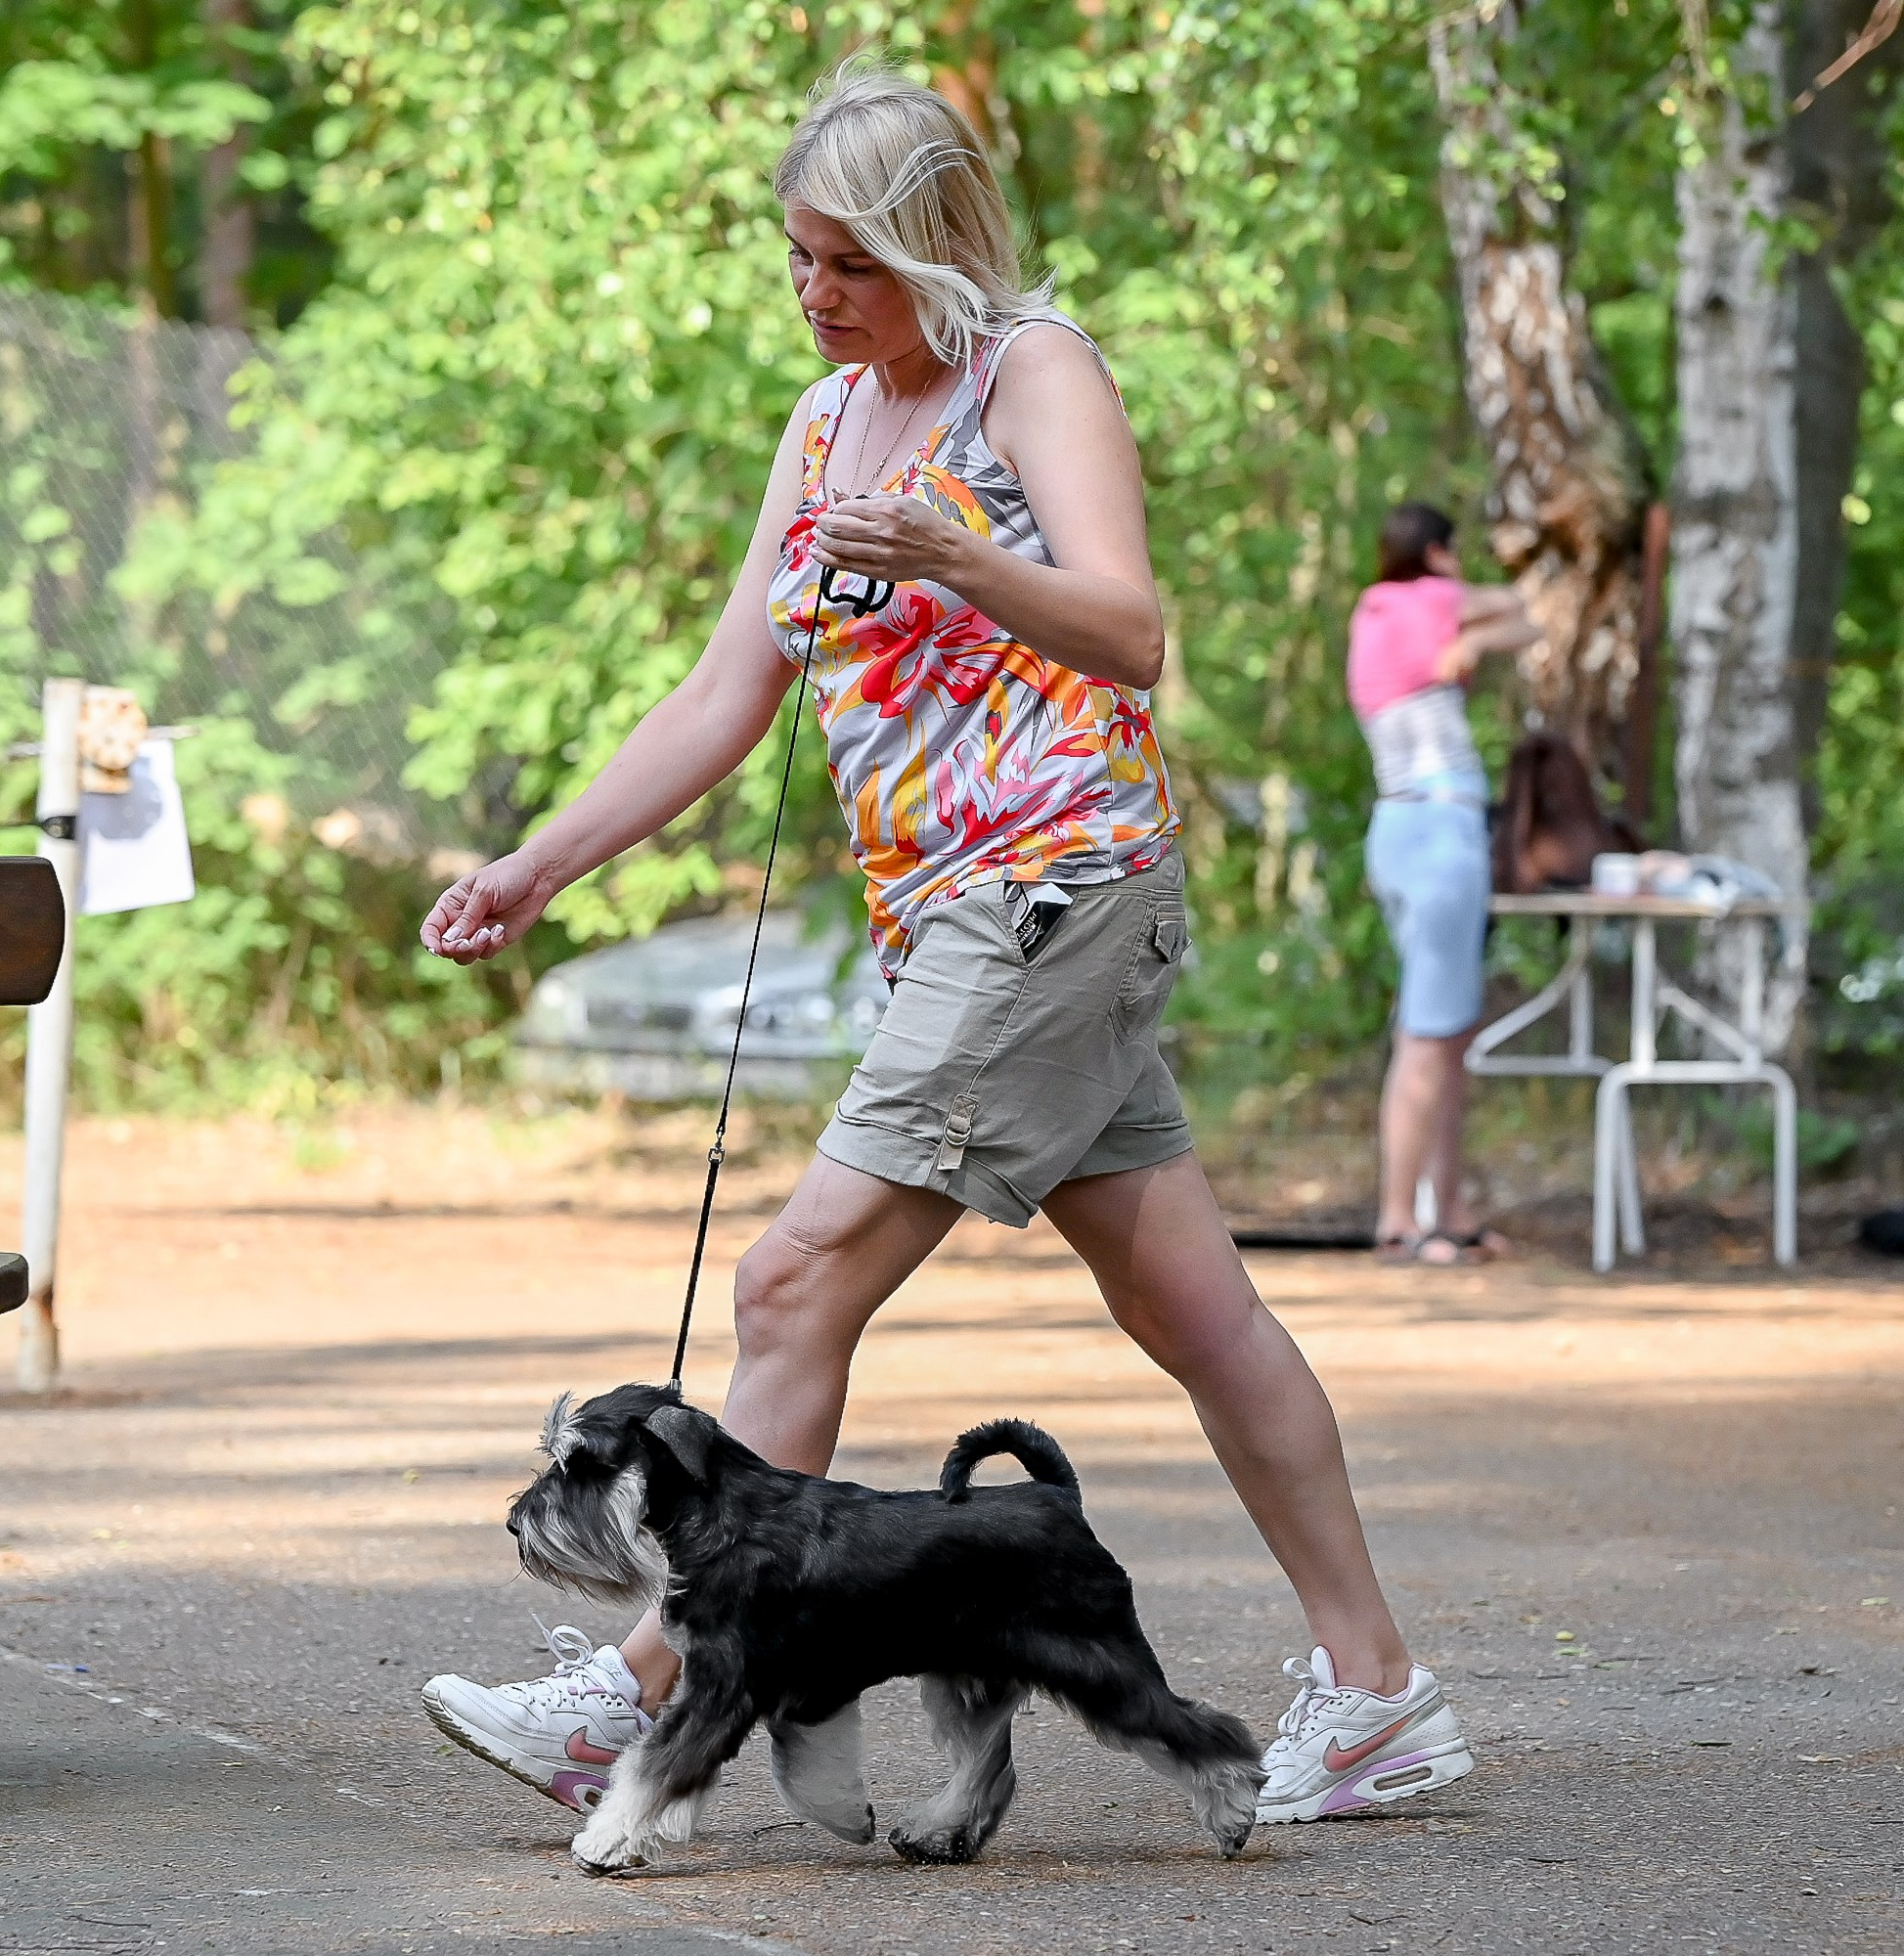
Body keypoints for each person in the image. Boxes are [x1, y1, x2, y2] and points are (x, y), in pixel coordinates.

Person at [417, 65, 1476, 1829]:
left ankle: (642, 1699)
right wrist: (541, 865)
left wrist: (957, 553)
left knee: (791, 1282)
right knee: (1196, 1311)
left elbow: (1131, 630)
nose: (816, 293)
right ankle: (1380, 1699)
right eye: (799, 257)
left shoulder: (1033, 372)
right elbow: (723, 696)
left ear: (937, 247)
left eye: (852, 263)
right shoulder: (824, 421)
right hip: (951, 926)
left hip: (1055, 889)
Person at [1347, 504, 1539, 1266]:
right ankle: (1400, 1219)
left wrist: (1468, 642)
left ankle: (1447, 1209)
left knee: (1448, 1034)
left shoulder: (1374, 611)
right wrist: (1479, 636)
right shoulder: (1427, 599)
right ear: (1436, 553)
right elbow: (1526, 613)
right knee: (1428, 1039)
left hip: (1398, 829)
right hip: (1440, 830)